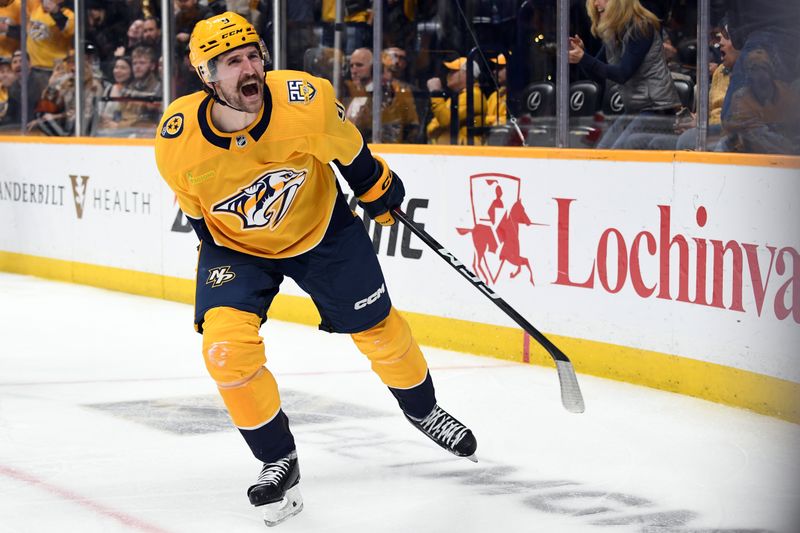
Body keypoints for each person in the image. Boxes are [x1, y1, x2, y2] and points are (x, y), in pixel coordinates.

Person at [153, 11, 477, 527]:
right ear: (206, 77)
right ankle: (276, 459)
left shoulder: (303, 102)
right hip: (237, 247)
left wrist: (379, 191)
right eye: (233, 61)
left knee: (378, 330)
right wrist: (222, 278)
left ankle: (423, 410)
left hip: (322, 230)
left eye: (254, 55)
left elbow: (353, 156)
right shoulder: (177, 139)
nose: (250, 68)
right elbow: (196, 214)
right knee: (225, 350)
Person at [568, 0, 680, 149]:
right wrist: (583, 57)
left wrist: (584, 58)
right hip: (634, 109)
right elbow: (598, 76)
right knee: (602, 151)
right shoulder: (614, 32)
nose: (596, 4)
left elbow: (622, 74)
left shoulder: (641, 27)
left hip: (657, 109)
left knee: (617, 154)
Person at [425, 56, 486, 144]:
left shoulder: (473, 95)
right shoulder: (458, 96)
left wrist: (436, 93)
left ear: (467, 74)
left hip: (463, 153)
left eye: (454, 71)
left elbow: (446, 120)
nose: (448, 74)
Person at [97, 55, 133, 132]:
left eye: (123, 68)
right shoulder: (109, 89)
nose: (117, 71)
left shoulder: (134, 91)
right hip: (105, 132)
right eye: (116, 67)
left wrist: (118, 125)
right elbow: (100, 110)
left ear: (131, 71)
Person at [485, 53, 508, 127]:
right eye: (495, 68)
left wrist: (488, 120)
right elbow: (482, 118)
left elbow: (507, 121)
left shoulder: (517, 96)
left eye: (500, 68)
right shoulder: (494, 96)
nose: (495, 71)